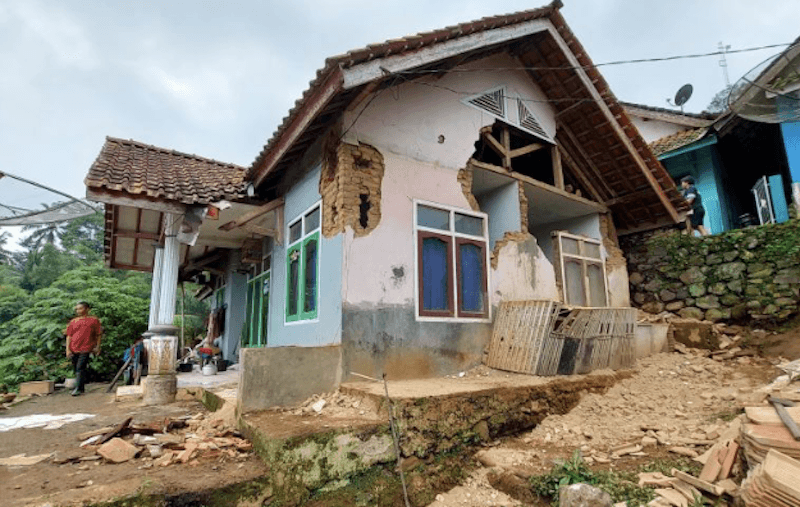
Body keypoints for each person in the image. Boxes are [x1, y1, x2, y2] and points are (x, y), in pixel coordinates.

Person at [65, 301, 103, 396]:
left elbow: (98, 334)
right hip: (74, 347)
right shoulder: (73, 321)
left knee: (80, 367)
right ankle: (80, 387)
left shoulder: (94, 320)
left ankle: (78, 388)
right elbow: (69, 336)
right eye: (77, 309)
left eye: (80, 308)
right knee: (77, 368)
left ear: (87, 309)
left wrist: (97, 347)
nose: (78, 311)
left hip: (86, 347)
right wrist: (68, 349)